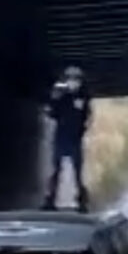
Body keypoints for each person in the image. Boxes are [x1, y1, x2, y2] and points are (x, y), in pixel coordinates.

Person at [43, 65, 92, 212]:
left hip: (75, 138)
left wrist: (82, 130)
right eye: (70, 79)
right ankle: (50, 200)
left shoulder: (83, 96)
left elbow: (87, 116)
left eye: (76, 80)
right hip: (61, 137)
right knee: (56, 170)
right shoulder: (61, 95)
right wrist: (54, 97)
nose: (73, 83)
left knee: (77, 172)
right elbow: (51, 113)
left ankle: (82, 202)